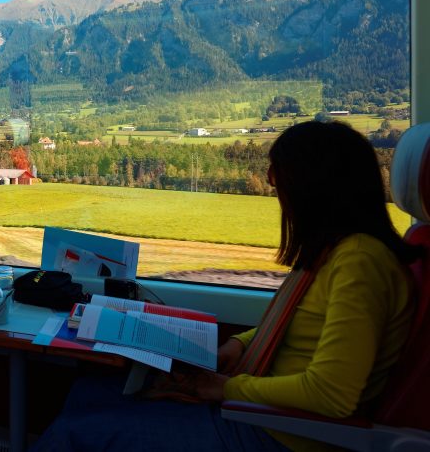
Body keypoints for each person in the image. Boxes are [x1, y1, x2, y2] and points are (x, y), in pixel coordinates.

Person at [32, 120, 420, 451]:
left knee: (73, 433)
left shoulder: (360, 262)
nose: (277, 195)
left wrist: (224, 389)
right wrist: (239, 345)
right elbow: (301, 329)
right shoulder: (338, 250)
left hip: (280, 434)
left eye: (280, 182)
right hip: (259, 411)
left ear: (313, 191)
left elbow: (331, 394)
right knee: (87, 392)